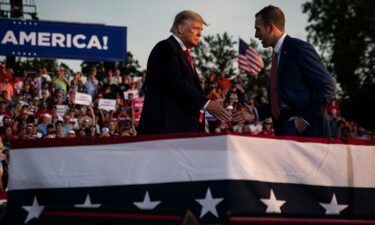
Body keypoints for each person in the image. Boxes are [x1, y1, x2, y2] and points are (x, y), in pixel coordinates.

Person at [234, 5, 335, 137]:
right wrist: (257, 112)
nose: (256, 35)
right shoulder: (278, 55)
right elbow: (281, 102)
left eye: (258, 29)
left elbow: (327, 87)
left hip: (309, 135)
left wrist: (304, 121)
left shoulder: (298, 49)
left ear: (271, 28)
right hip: (286, 134)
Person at [138, 10, 230, 135]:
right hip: (164, 130)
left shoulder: (182, 53)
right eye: (196, 28)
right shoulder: (165, 47)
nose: (200, 34)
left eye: (201, 30)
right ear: (181, 28)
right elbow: (174, 82)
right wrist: (206, 103)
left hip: (181, 131)